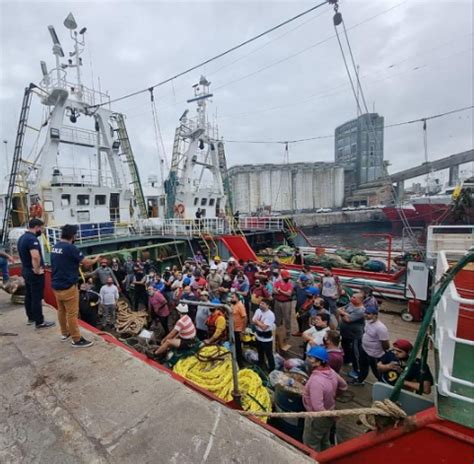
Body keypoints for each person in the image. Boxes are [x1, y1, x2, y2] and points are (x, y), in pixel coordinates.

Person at [50, 224, 100, 347]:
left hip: (56, 285)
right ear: (73, 236)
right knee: (72, 314)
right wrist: (96, 259)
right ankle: (76, 339)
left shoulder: (54, 247)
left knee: (61, 310)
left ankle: (64, 333)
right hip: (68, 287)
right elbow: (86, 263)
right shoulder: (71, 248)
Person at [302, 346, 348, 452]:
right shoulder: (331, 372)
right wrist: (333, 395)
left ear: (319, 362)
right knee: (324, 439)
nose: (307, 360)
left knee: (311, 444)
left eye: (310, 358)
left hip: (317, 418)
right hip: (330, 410)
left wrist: (332, 417)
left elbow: (318, 408)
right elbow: (344, 386)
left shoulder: (316, 381)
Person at [17, 218, 55, 328]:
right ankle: (40, 321)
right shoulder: (31, 239)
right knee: (36, 298)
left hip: (25, 270)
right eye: (41, 228)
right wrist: (37, 270)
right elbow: (35, 256)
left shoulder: (22, 238)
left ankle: (31, 318)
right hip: (33, 273)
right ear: (37, 227)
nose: (42, 230)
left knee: (28, 295)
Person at [351, 306, 390, 385]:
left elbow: (386, 344)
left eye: (368, 314)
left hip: (374, 354)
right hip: (364, 349)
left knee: (376, 370)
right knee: (363, 366)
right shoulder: (367, 321)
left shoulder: (381, 328)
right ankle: (360, 380)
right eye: (365, 313)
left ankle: (382, 384)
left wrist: (379, 351)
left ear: (375, 315)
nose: (366, 315)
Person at [337, 293, 366, 377]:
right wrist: (344, 313)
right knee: (345, 347)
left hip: (355, 336)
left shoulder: (361, 310)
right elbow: (340, 309)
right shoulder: (350, 304)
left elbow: (348, 319)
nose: (351, 298)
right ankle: (346, 360)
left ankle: (357, 370)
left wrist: (343, 314)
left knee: (355, 352)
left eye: (354, 297)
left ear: (360, 300)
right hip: (345, 333)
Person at [252, 299, 275, 372]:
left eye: (263, 304)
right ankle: (261, 364)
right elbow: (253, 320)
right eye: (260, 303)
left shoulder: (270, 315)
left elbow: (264, 327)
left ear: (268, 305)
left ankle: (272, 369)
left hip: (266, 339)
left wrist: (257, 322)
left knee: (269, 355)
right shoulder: (258, 311)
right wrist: (260, 323)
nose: (261, 305)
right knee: (260, 352)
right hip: (258, 336)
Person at [272, 269, 294, 341]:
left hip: (287, 303)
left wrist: (280, 291)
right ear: (282, 277)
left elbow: (289, 294)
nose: (288, 278)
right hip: (278, 302)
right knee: (277, 318)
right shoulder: (277, 282)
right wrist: (283, 292)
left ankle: (288, 333)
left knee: (287, 318)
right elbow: (274, 291)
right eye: (286, 277)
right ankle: (277, 332)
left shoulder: (290, 283)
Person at [230, 293, 247, 366]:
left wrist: (243, 330)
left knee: (238, 346)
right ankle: (236, 359)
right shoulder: (233, 305)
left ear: (237, 298)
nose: (231, 299)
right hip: (233, 328)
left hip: (238, 329)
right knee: (234, 345)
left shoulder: (240, 305)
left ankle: (240, 363)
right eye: (231, 297)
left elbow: (245, 318)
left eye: (233, 297)